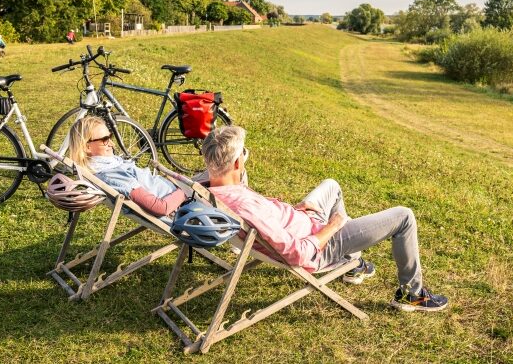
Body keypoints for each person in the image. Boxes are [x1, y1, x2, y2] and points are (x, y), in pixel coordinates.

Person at [200, 126, 449, 312]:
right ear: (235, 163)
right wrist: (332, 226)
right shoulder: (243, 205)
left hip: (302, 221)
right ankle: (411, 294)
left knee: (331, 186)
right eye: (244, 153)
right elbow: (298, 253)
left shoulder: (213, 190)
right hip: (319, 246)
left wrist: (294, 212)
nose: (246, 156)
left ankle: (352, 263)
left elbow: (266, 216)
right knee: (404, 216)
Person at [68, 116, 186, 218]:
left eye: (110, 137)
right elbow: (161, 208)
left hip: (176, 195)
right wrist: (185, 190)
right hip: (182, 209)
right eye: (104, 140)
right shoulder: (111, 175)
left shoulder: (105, 166)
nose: (112, 144)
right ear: (87, 147)